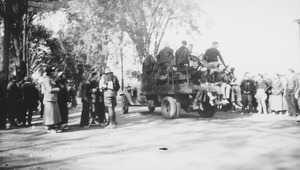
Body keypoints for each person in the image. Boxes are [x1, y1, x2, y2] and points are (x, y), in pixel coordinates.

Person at [43, 66, 62, 133]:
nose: (54, 72)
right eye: (53, 71)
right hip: (49, 98)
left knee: (54, 114)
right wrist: (57, 89)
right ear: (50, 72)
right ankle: (49, 127)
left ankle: (53, 126)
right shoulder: (47, 79)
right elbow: (49, 89)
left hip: (53, 98)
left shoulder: (51, 78)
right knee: (50, 114)